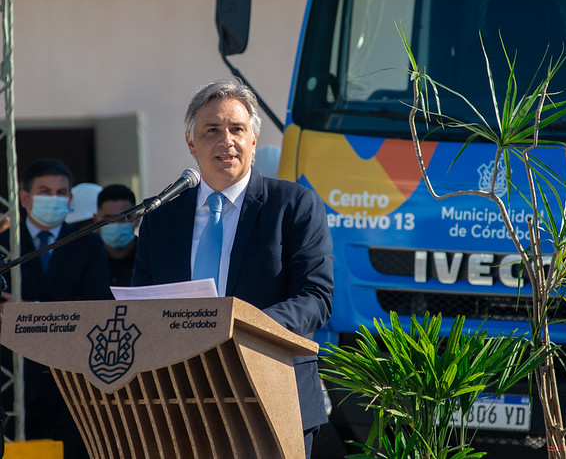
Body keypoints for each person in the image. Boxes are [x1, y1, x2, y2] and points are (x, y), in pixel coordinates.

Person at [131, 79, 334, 458]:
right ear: (191, 144)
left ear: (253, 141)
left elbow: (316, 298)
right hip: (182, 398)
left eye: (237, 129)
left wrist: (240, 327)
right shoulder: (162, 218)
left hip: (273, 391)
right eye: (212, 131)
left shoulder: (293, 206)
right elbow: (145, 303)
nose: (226, 140)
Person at [0, 158, 111, 459]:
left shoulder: (88, 245)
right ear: (24, 198)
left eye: (61, 193)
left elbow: (97, 304)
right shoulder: (4, 246)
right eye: (45, 191)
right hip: (13, 378)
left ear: (71, 199)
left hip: (71, 381)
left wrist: (32, 311)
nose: (54, 199)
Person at [94, 184, 138, 286]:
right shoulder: (85, 258)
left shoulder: (149, 257)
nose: (117, 225)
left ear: (137, 219)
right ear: (96, 219)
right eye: (109, 219)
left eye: (125, 218)